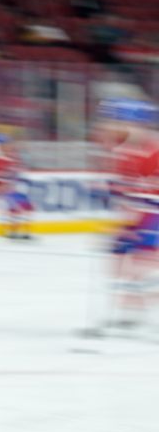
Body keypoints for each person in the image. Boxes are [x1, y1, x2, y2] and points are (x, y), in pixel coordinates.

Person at [95, 97, 159, 328]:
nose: (108, 126)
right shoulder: (121, 152)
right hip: (135, 214)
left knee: (143, 261)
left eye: (115, 120)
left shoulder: (153, 151)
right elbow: (123, 186)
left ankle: (139, 304)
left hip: (151, 214)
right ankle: (131, 308)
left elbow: (147, 192)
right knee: (120, 258)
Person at [0, 134, 34, 240]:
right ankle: (11, 231)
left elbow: (18, 174)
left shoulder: (14, 159)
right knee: (14, 208)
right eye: (6, 146)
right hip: (4, 191)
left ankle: (25, 232)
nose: (9, 148)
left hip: (13, 189)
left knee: (28, 207)